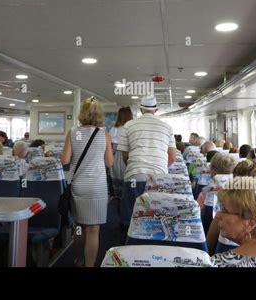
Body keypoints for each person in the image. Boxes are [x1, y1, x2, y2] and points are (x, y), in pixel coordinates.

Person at [61, 97, 113, 267]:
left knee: (79, 227)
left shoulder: (73, 132)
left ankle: (79, 260)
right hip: (97, 187)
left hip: (78, 186)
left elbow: (65, 160)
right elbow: (109, 163)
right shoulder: (104, 134)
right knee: (93, 230)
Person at [117, 95, 176, 229]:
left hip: (134, 176)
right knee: (155, 219)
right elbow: (172, 157)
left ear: (141, 109)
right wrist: (159, 167)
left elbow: (125, 156)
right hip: (158, 178)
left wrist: (136, 166)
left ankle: (129, 244)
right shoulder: (167, 127)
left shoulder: (128, 125)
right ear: (156, 110)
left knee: (130, 219)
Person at [109, 106, 133, 199]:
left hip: (116, 158)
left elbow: (112, 147)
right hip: (129, 157)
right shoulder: (132, 128)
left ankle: (118, 201)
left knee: (117, 185)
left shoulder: (114, 129)